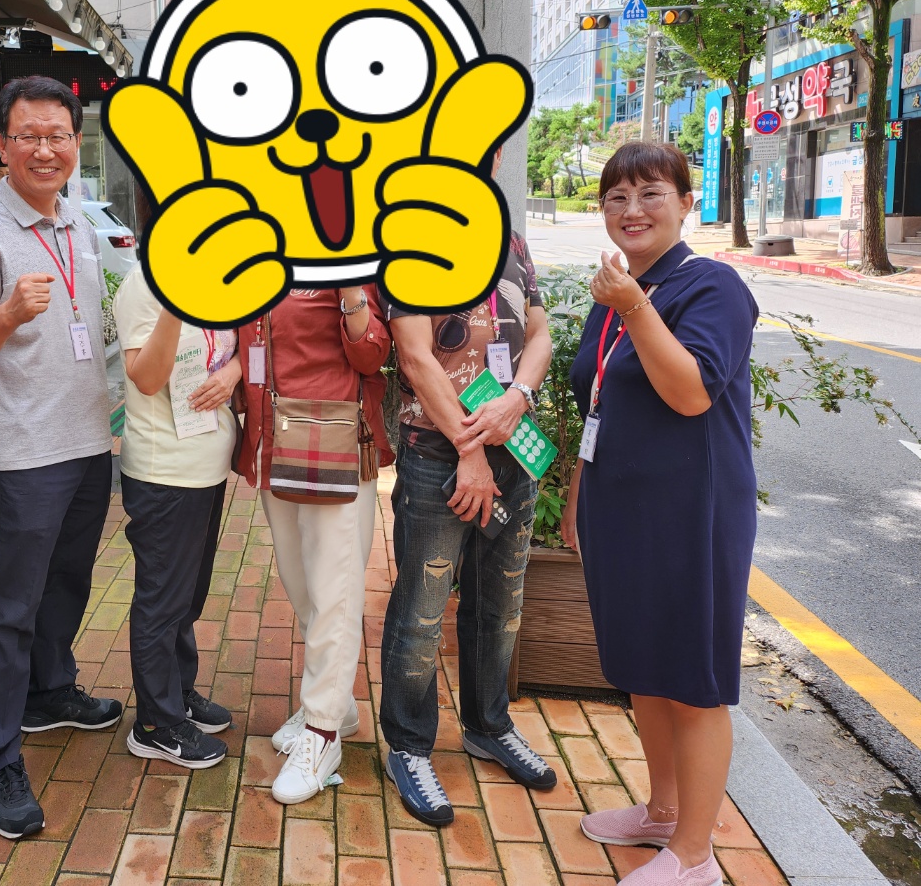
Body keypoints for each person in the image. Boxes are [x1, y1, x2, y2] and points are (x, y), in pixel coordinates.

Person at [564, 142, 757, 886]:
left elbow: (690, 393)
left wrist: (634, 306)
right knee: (643, 666)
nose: (632, 210)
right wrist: (580, 495)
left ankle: (695, 855)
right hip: (621, 505)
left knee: (692, 678)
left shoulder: (712, 286)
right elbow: (599, 401)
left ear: (685, 203)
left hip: (690, 514)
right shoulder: (621, 289)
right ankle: (663, 811)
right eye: (616, 197)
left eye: (650, 193)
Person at [0, 75, 121, 840]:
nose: (46, 150)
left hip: (88, 441)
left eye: (59, 136)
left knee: (69, 582)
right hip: (24, 452)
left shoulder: (77, 221)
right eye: (30, 136)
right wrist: (11, 311)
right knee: (9, 607)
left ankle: (50, 690)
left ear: (76, 142)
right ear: (2, 144)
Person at [379, 196, 556, 825]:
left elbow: (539, 332)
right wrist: (469, 449)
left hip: (514, 447)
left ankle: (488, 726)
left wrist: (518, 398)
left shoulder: (509, 239)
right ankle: (408, 745)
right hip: (440, 454)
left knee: (500, 601)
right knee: (422, 608)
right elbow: (414, 356)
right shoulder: (408, 237)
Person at [234, 285, 392, 805]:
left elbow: (372, 353)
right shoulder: (258, 258)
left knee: (333, 590)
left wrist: (350, 291)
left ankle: (323, 731)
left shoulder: (343, 258)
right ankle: (337, 705)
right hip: (272, 439)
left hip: (331, 439)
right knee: (301, 585)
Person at [113, 211, 242, 768]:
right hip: (163, 469)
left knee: (189, 595)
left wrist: (232, 374)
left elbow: (237, 348)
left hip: (207, 462)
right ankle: (155, 723)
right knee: (162, 600)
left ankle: (178, 692)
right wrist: (174, 304)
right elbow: (145, 378)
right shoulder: (143, 285)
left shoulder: (221, 281)